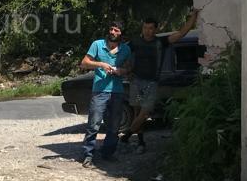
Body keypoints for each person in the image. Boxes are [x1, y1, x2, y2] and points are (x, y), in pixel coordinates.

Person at [121, 9, 199, 150]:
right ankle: (141, 142)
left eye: (150, 28)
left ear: (156, 29)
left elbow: (181, 34)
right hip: (136, 82)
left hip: (151, 83)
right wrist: (128, 70)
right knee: (137, 113)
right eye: (145, 28)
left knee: (145, 113)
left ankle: (126, 136)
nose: (147, 31)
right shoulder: (135, 42)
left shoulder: (160, 42)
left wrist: (193, 17)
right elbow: (122, 54)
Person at [79, 21, 131, 167]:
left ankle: (108, 153)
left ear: (121, 34)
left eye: (116, 30)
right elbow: (84, 63)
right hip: (99, 90)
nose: (113, 32)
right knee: (94, 124)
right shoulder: (97, 44)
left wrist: (121, 71)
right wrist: (101, 64)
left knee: (114, 126)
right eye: (111, 29)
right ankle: (88, 155)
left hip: (117, 91)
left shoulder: (126, 49)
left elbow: (129, 68)